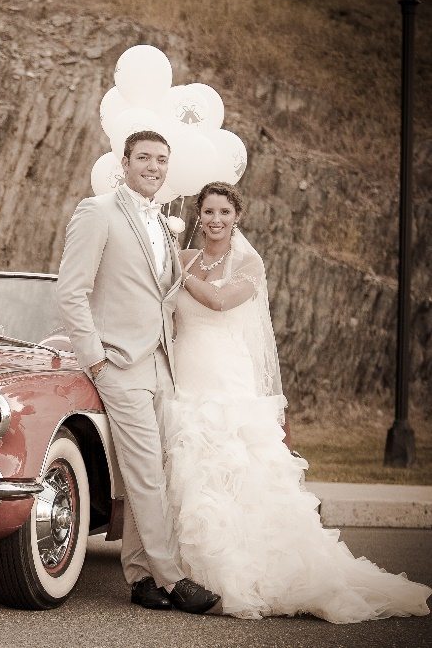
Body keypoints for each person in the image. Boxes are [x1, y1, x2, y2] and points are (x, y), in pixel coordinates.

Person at [166, 181, 431, 623]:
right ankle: (191, 573)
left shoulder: (249, 263)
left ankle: (248, 572)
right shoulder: (187, 257)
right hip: (187, 378)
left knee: (237, 472)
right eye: (208, 212)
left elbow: (216, 301)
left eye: (223, 213)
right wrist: (173, 258)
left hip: (226, 381)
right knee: (193, 474)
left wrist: (177, 269)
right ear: (198, 216)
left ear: (237, 217)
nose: (215, 220)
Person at [56, 130, 220, 614]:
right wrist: (96, 358)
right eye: (144, 158)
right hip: (118, 364)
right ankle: (173, 579)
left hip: (159, 363)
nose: (154, 166)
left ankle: (142, 577)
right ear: (123, 162)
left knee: (156, 473)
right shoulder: (97, 211)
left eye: (161, 160)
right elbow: (71, 291)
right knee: (146, 471)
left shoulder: (164, 224)